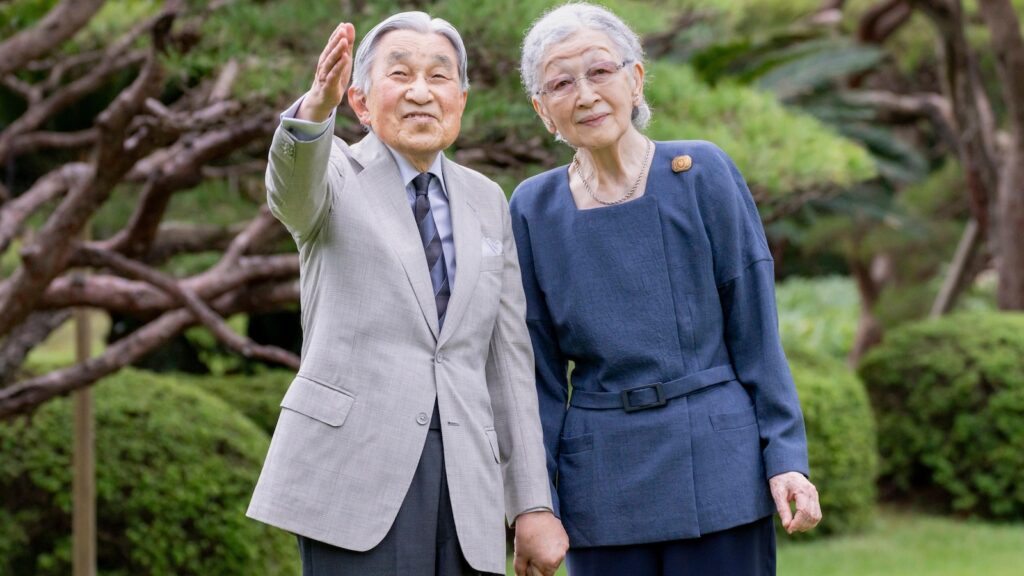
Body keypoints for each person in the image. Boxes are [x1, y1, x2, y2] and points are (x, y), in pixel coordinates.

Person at [247, 12, 568, 576]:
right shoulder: (335, 173)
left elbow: (508, 359)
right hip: (353, 474)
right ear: (362, 103)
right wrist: (314, 110)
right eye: (400, 74)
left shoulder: (488, 198)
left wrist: (532, 504)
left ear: (461, 101)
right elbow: (290, 191)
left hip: (469, 482)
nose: (421, 92)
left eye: (439, 77)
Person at [509, 3, 822, 575]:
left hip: (719, 464)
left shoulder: (701, 173)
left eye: (601, 71)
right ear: (542, 111)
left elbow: (756, 334)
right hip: (600, 479)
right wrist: (535, 502)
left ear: (635, 79)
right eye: (561, 82)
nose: (585, 94)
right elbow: (538, 375)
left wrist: (786, 458)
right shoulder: (533, 208)